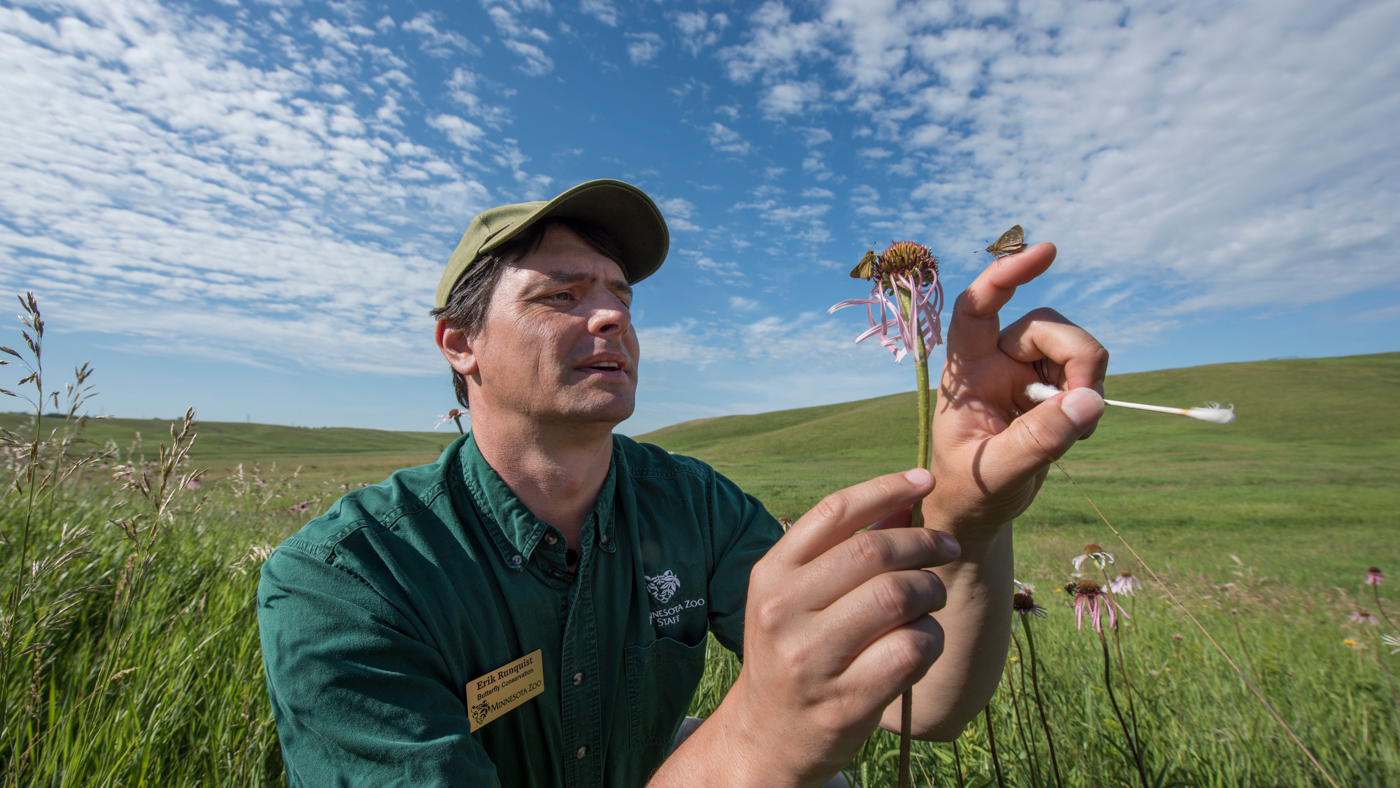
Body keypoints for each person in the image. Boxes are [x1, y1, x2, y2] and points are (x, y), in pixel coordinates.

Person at [257, 179, 1109, 787]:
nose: (613, 315)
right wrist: (755, 744)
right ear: (458, 343)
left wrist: (972, 524)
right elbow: (760, 747)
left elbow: (913, 706)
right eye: (561, 293)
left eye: (622, 296)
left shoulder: (696, 507)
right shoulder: (346, 582)